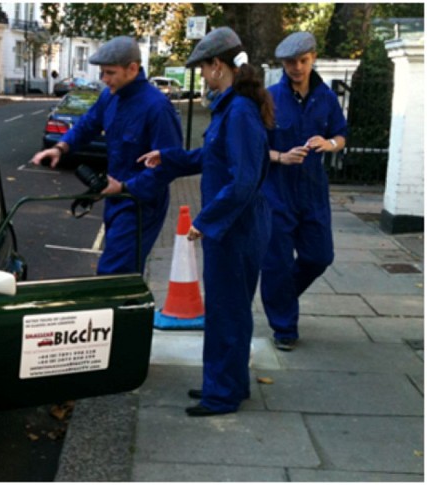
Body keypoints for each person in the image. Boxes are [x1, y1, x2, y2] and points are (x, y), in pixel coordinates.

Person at [137, 27, 272, 416]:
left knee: (228, 311)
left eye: (202, 68)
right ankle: (228, 383)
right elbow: (212, 158)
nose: (202, 76)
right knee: (229, 310)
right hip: (235, 225)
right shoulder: (234, 107)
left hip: (236, 228)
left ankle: (223, 394)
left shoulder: (241, 110)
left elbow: (243, 179)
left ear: (218, 66)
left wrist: (206, 220)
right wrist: (169, 157)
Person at [30, 36, 182, 275]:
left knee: (114, 273)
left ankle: (120, 310)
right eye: (102, 72)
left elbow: (169, 166)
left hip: (141, 203)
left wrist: (125, 187)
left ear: (132, 68)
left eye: (110, 72)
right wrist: (60, 147)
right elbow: (88, 124)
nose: (104, 79)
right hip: (116, 198)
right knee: (122, 275)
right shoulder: (110, 96)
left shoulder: (157, 107)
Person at [261, 32, 348, 352]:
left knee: (319, 256)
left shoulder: (325, 97)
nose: (296, 67)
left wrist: (330, 144)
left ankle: (280, 297)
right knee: (277, 263)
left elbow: (341, 134)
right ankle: (284, 327)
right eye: (289, 63)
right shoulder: (268, 98)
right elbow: (255, 146)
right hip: (277, 193)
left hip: (313, 192)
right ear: (282, 64)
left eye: (302, 61)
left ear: (313, 58)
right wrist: (280, 157)